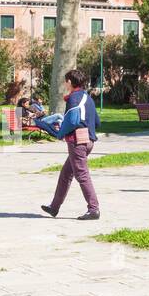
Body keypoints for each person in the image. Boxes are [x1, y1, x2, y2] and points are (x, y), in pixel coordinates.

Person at [40, 70, 101, 221]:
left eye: (65, 80)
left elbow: (73, 121)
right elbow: (97, 122)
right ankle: (54, 207)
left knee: (82, 174)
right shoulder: (88, 98)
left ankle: (93, 209)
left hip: (77, 142)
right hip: (88, 141)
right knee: (66, 174)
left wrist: (60, 133)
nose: (64, 83)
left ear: (69, 82)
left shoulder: (74, 98)